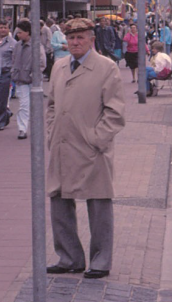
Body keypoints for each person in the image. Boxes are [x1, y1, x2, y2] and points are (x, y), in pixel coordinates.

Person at [45, 18, 127, 280]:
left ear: (92, 39)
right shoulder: (58, 66)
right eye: (71, 38)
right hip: (62, 145)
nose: (75, 42)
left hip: (92, 149)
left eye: (81, 38)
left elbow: (115, 113)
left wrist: (97, 139)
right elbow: (50, 106)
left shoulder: (106, 68)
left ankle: (100, 261)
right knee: (59, 201)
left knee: (99, 203)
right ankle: (69, 257)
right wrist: (51, 132)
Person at [9, 20, 35, 141]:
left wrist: (33, 75)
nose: (18, 35)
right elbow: (13, 60)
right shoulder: (17, 45)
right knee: (24, 105)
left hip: (33, 82)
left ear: (27, 32)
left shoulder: (36, 45)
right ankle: (22, 129)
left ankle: (34, 127)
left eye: (20, 32)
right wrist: (14, 72)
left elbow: (41, 63)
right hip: (21, 80)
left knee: (33, 106)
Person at [0, 20, 16, 132]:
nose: (3, 30)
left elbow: (16, 59)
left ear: (9, 29)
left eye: (5, 28)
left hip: (5, 73)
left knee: (2, 98)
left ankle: (0, 122)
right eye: (1, 27)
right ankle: (7, 113)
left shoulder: (13, 43)